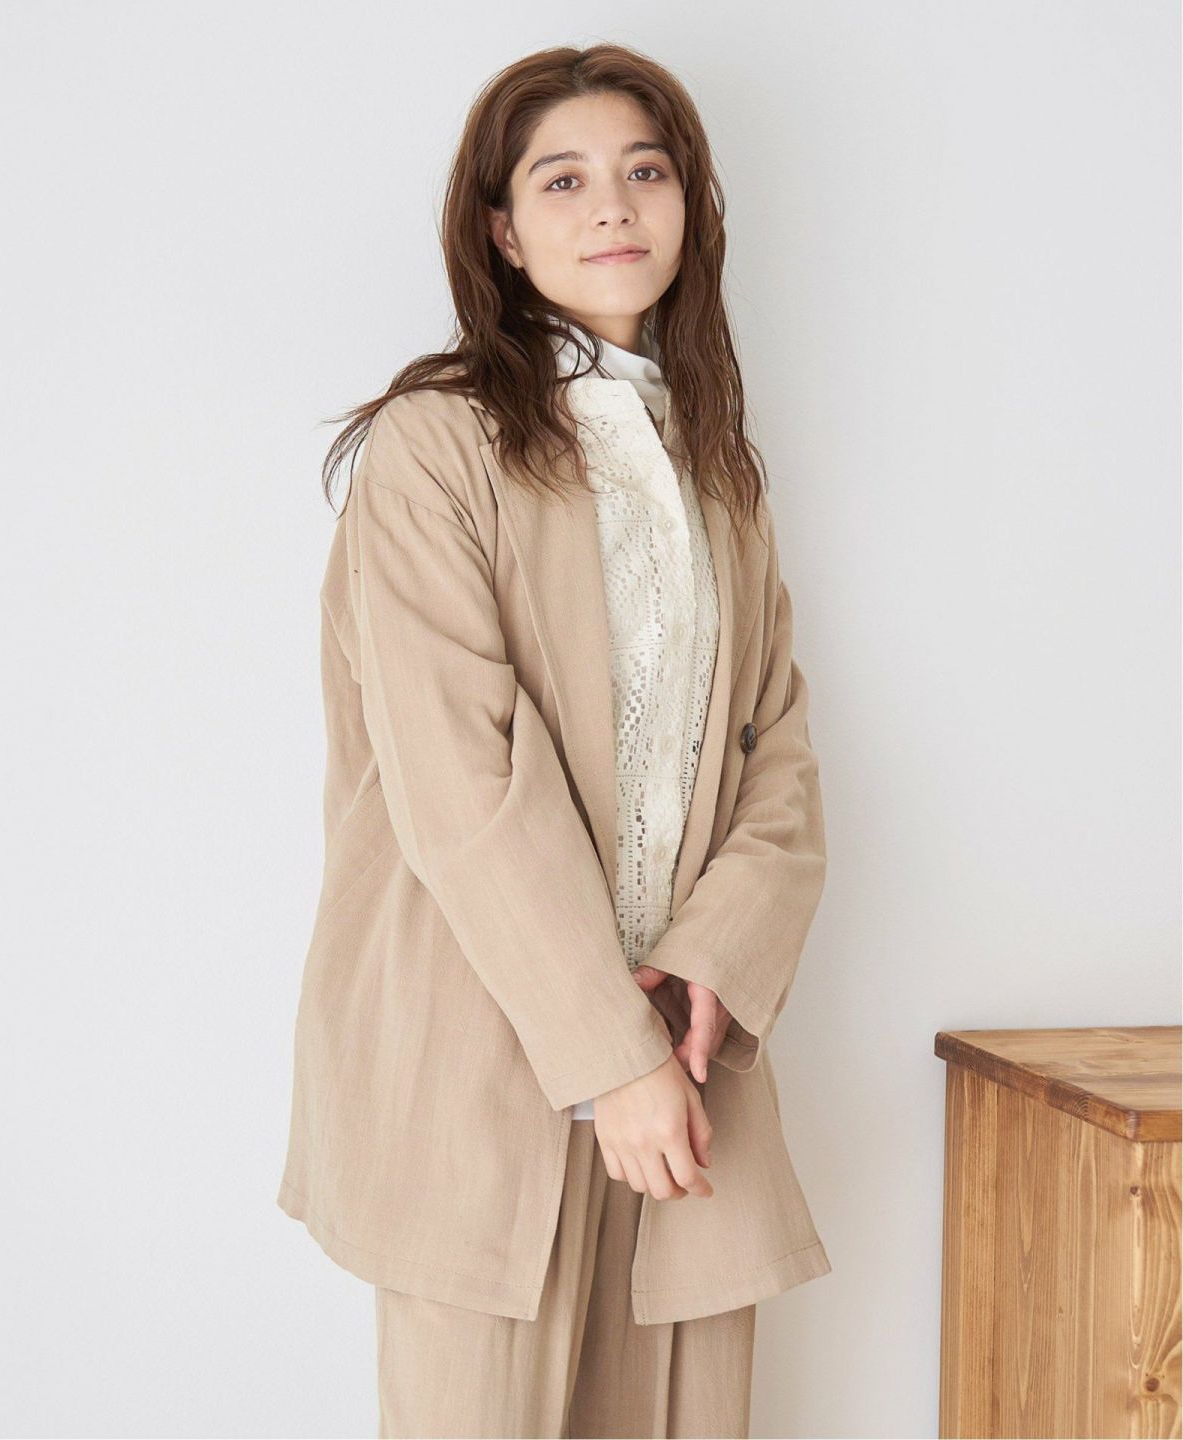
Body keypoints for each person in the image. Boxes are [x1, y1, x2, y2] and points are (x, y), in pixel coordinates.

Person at [277, 41, 831, 1440]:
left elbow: (776, 748)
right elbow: (457, 785)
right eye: (563, 180)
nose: (614, 206)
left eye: (646, 171)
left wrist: (710, 967)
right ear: (503, 232)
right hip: (481, 1047)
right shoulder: (435, 449)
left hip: (688, 1051)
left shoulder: (719, 470)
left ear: (691, 206)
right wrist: (610, 1057)